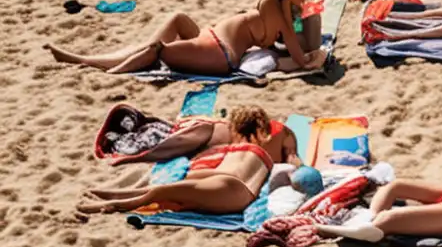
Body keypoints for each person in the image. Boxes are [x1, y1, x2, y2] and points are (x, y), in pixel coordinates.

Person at [46, 0, 325, 76]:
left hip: (218, 52)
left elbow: (293, 43)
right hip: (210, 41)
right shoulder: (274, 4)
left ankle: (108, 71)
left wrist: (307, 50)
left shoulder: (282, 8)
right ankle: (91, 60)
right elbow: (293, 44)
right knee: (173, 23)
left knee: (157, 51)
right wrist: (309, 52)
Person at [77, 106, 293, 216]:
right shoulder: (267, 144)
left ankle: (115, 203)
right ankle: (114, 194)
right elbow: (293, 161)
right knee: (164, 189)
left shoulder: (236, 145)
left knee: (160, 192)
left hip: (229, 185)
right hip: (232, 188)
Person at [98, 106, 298, 167]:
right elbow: (166, 148)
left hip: (194, 132)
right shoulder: (216, 132)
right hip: (186, 133)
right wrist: (132, 159)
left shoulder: (284, 134)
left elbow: (292, 158)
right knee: (151, 138)